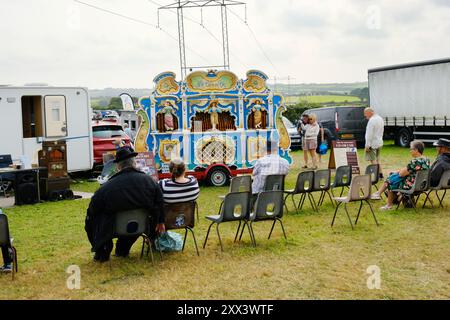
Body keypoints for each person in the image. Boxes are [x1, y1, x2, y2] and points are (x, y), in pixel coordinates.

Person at [85, 146, 165, 262]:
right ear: (134, 163)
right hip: (141, 226)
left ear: (118, 166)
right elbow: (160, 201)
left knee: (91, 219)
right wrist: (160, 221)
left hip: (113, 228)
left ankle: (102, 251)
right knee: (135, 216)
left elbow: (92, 210)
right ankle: (122, 249)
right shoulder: (150, 182)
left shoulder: (107, 188)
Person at [372, 140, 430, 210]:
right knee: (394, 176)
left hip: (411, 185)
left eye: (411, 149)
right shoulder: (426, 160)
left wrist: (398, 172)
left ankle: (388, 204)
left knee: (391, 182)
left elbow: (402, 174)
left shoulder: (415, 161)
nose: (410, 151)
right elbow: (408, 171)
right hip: (422, 184)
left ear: (416, 150)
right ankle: (379, 194)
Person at [364, 107, 385, 178]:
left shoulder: (371, 120)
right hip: (379, 142)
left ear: (370, 112)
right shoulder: (380, 118)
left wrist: (367, 145)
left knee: (373, 160)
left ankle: (376, 176)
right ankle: (380, 174)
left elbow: (369, 134)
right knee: (377, 160)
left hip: (372, 144)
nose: (365, 115)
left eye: (365, 113)